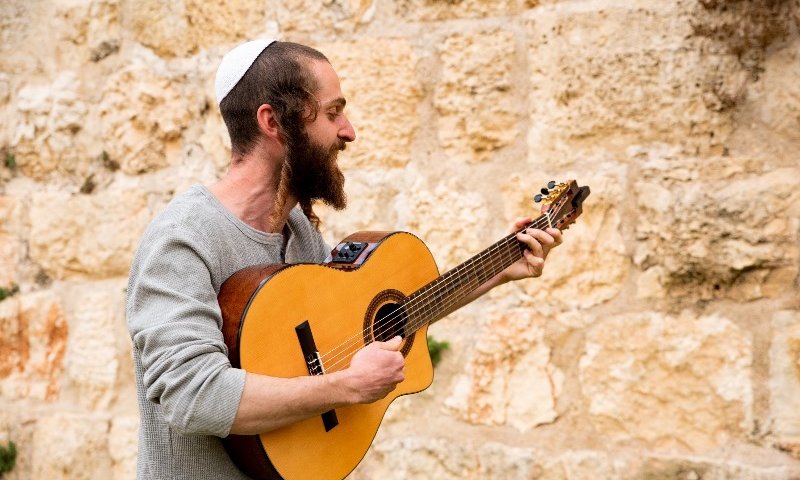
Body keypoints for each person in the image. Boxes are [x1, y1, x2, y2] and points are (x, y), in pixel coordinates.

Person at [125, 38, 563, 479]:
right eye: (333, 112)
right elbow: (192, 395)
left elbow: (365, 331)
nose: (349, 131)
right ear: (273, 121)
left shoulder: (299, 236)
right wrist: (347, 387)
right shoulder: (183, 239)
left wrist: (496, 271)